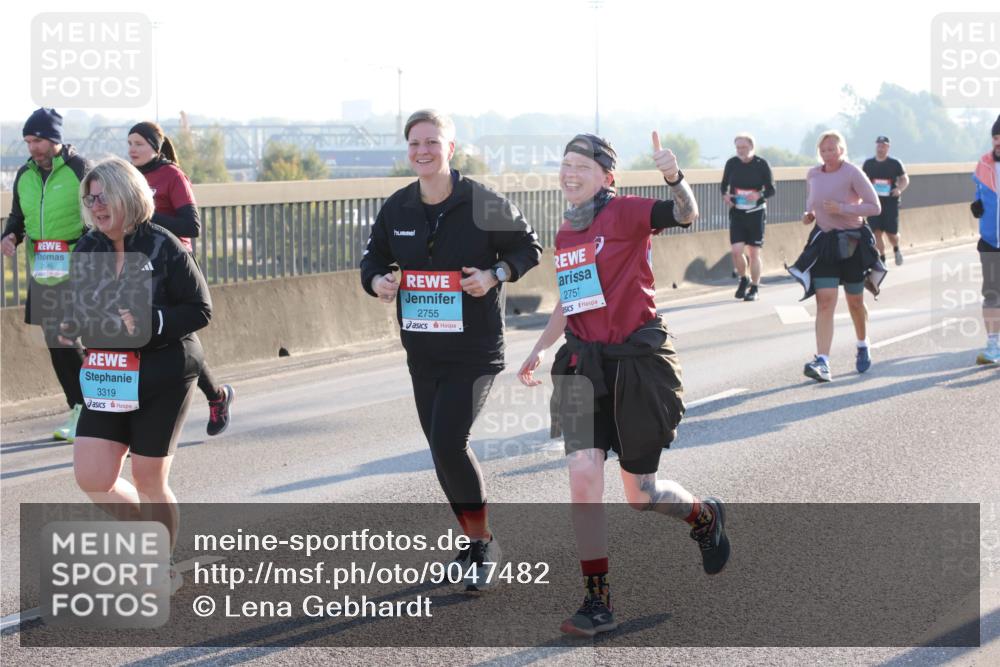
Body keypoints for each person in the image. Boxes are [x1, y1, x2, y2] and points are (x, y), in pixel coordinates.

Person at [518, 132, 730, 637]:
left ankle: (702, 517)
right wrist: (541, 346)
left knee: (641, 494)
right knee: (582, 474)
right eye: (565, 164)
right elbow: (572, 299)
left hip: (636, 361)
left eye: (582, 166)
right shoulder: (567, 231)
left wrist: (675, 178)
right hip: (580, 363)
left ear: (606, 176)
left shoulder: (628, 212)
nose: (570, 173)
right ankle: (598, 600)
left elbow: (684, 214)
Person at [360, 110, 542, 590]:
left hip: (476, 350)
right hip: (422, 350)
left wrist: (494, 275)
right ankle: (471, 540)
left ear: (450, 148)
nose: (423, 151)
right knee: (440, 452)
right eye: (415, 144)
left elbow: (528, 247)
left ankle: (482, 544)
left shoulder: (483, 202)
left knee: (448, 442)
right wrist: (376, 280)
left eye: (432, 143)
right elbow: (373, 257)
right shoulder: (398, 207)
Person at [61, 157, 212, 591]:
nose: (96, 205)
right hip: (110, 370)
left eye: (103, 196)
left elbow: (200, 309)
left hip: (165, 368)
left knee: (149, 476)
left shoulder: (163, 243)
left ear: (128, 193)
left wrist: (152, 319)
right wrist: (72, 323)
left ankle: (160, 563)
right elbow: (77, 305)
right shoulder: (88, 247)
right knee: (93, 476)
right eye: (90, 198)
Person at [126, 121, 234, 435]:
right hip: (141, 264)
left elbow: (191, 225)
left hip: (175, 262)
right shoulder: (131, 176)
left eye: (139, 143)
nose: (132, 149)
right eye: (129, 143)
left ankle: (216, 397)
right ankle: (140, 419)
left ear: (155, 147)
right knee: (144, 334)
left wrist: (146, 214)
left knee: (178, 335)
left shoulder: (172, 175)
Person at [1, 108, 90, 442]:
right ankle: (79, 408)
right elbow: (17, 217)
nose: (32, 147)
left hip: (78, 268)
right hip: (43, 268)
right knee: (56, 342)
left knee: (70, 338)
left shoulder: (81, 169)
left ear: (55, 139)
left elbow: (100, 211)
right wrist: (10, 236)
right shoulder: (25, 174)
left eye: (37, 139)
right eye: (27, 140)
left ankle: (93, 408)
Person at [793, 131, 882, 382]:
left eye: (832, 149)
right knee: (824, 301)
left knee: (855, 301)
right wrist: (808, 215)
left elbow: (874, 206)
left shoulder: (853, 172)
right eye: (823, 150)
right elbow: (811, 205)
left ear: (842, 150)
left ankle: (863, 344)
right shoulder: (813, 174)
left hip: (852, 241)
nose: (828, 154)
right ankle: (823, 361)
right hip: (824, 242)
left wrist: (843, 208)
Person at [720, 133, 775, 301]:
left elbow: (771, 189)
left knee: (753, 253)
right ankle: (744, 278)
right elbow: (724, 185)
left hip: (756, 213)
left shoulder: (761, 164)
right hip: (737, 212)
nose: (741, 151)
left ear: (752, 147)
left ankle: (755, 288)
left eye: (744, 147)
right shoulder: (732, 163)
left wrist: (758, 194)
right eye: (738, 148)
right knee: (736, 251)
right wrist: (726, 196)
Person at [969, 115, 1000, 365]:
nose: (998, 143)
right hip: (990, 241)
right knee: (992, 294)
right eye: (995, 138)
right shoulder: (984, 164)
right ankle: (993, 344)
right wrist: (977, 204)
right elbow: (978, 191)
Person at [862, 136, 909, 266]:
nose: (880, 148)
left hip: (890, 202)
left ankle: (896, 248)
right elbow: (862, 181)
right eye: (878, 145)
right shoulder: (868, 163)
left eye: (883, 146)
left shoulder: (895, 163)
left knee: (891, 234)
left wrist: (899, 189)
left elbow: (904, 179)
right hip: (874, 203)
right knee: (876, 232)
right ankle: (882, 258)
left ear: (888, 147)